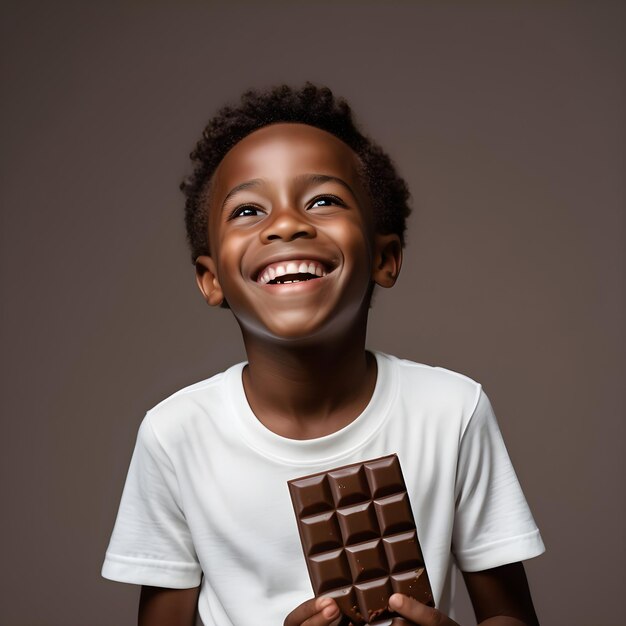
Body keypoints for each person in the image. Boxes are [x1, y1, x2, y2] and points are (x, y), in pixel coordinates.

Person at [102, 84, 545, 626]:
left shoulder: (453, 411)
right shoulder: (176, 435)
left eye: (323, 201)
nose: (286, 224)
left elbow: (512, 618)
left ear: (385, 257)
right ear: (211, 278)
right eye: (247, 210)